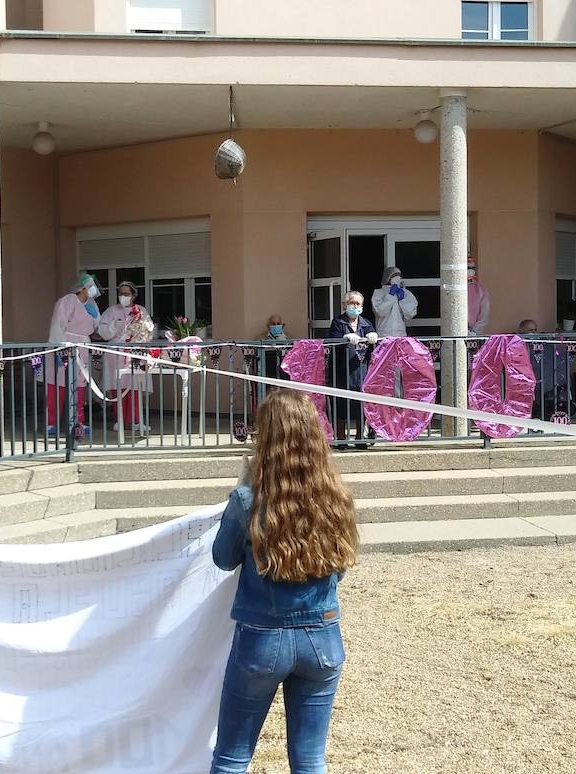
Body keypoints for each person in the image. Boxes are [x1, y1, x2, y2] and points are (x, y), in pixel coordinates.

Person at [209, 388, 359, 773]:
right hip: (323, 634)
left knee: (232, 757)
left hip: (263, 634)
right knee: (309, 760)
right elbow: (339, 567)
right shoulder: (336, 496)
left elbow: (223, 559)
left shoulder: (248, 499)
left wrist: (245, 483)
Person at [42, 274, 101, 437]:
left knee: (80, 385)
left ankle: (78, 422)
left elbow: (98, 326)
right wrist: (59, 347)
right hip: (66, 344)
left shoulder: (92, 304)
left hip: (82, 346)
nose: (94, 290)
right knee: (58, 385)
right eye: (91, 286)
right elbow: (58, 324)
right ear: (83, 287)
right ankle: (51, 423)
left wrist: (95, 317)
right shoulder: (67, 301)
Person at [95, 282, 155, 434]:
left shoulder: (141, 311)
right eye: (121, 293)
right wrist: (114, 326)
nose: (123, 296)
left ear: (134, 295)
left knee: (135, 386)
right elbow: (103, 332)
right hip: (115, 353)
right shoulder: (111, 311)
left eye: (127, 293)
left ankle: (135, 420)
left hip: (135, 352)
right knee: (118, 387)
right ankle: (119, 419)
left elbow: (149, 331)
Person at [327, 292, 377, 448]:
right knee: (341, 403)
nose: (355, 306)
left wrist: (372, 336)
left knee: (360, 404)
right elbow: (333, 340)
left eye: (358, 304)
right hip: (342, 370)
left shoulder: (365, 323)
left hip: (360, 369)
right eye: (352, 303)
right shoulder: (338, 322)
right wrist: (345, 337)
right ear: (345, 305)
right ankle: (341, 438)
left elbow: (373, 343)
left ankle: (359, 438)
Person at [370, 266, 417, 338]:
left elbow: (410, 314)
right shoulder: (378, 293)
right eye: (394, 275)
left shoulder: (406, 293)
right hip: (384, 334)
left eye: (399, 275)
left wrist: (403, 300)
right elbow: (380, 312)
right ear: (387, 277)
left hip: (400, 334)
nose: (397, 277)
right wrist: (390, 296)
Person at [467, 257, 490, 336]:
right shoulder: (456, 288)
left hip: (475, 333)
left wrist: (474, 331)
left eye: (472, 268)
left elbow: (484, 313)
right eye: (468, 268)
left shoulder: (480, 289)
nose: (470, 270)